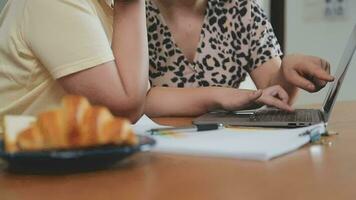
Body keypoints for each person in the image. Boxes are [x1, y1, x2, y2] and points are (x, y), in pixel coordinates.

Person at [144, 0, 334, 117]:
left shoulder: (242, 7)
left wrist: (288, 70)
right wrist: (218, 96)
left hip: (224, 147)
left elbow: (274, 91)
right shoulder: (131, 10)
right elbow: (134, 100)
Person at [0, 0, 148, 123]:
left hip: (59, 149)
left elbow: (139, 95)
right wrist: (130, 4)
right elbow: (123, 111)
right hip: (18, 153)